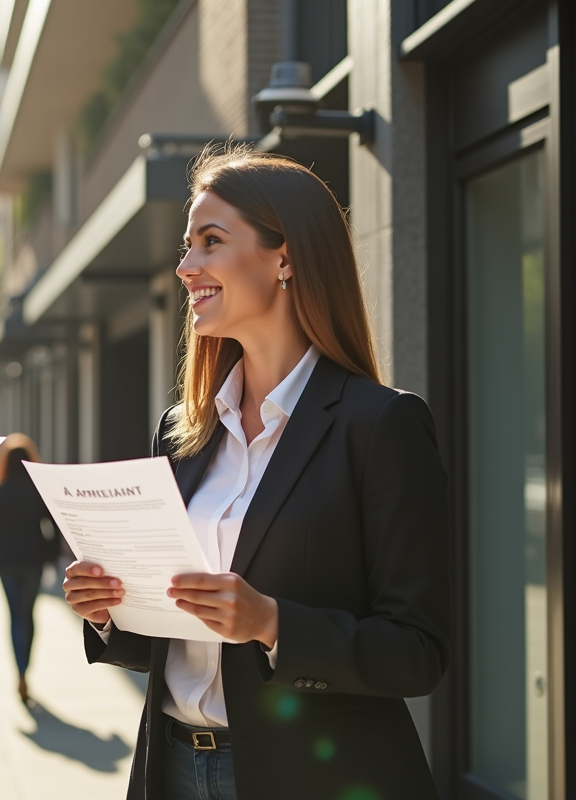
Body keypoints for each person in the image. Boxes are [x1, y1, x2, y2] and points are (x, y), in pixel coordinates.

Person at [62, 145, 450, 799]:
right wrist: (109, 611)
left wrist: (271, 623)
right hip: (174, 768)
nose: (186, 267)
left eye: (210, 242)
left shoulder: (381, 425)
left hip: (317, 779)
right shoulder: (184, 432)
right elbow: (170, 647)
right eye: (187, 246)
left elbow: (418, 651)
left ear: (286, 257)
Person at [0, 434, 54, 704]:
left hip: (5, 560)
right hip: (33, 559)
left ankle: (19, 672)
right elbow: (53, 528)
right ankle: (26, 672)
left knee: (14, 617)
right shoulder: (38, 490)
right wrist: (52, 555)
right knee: (29, 614)